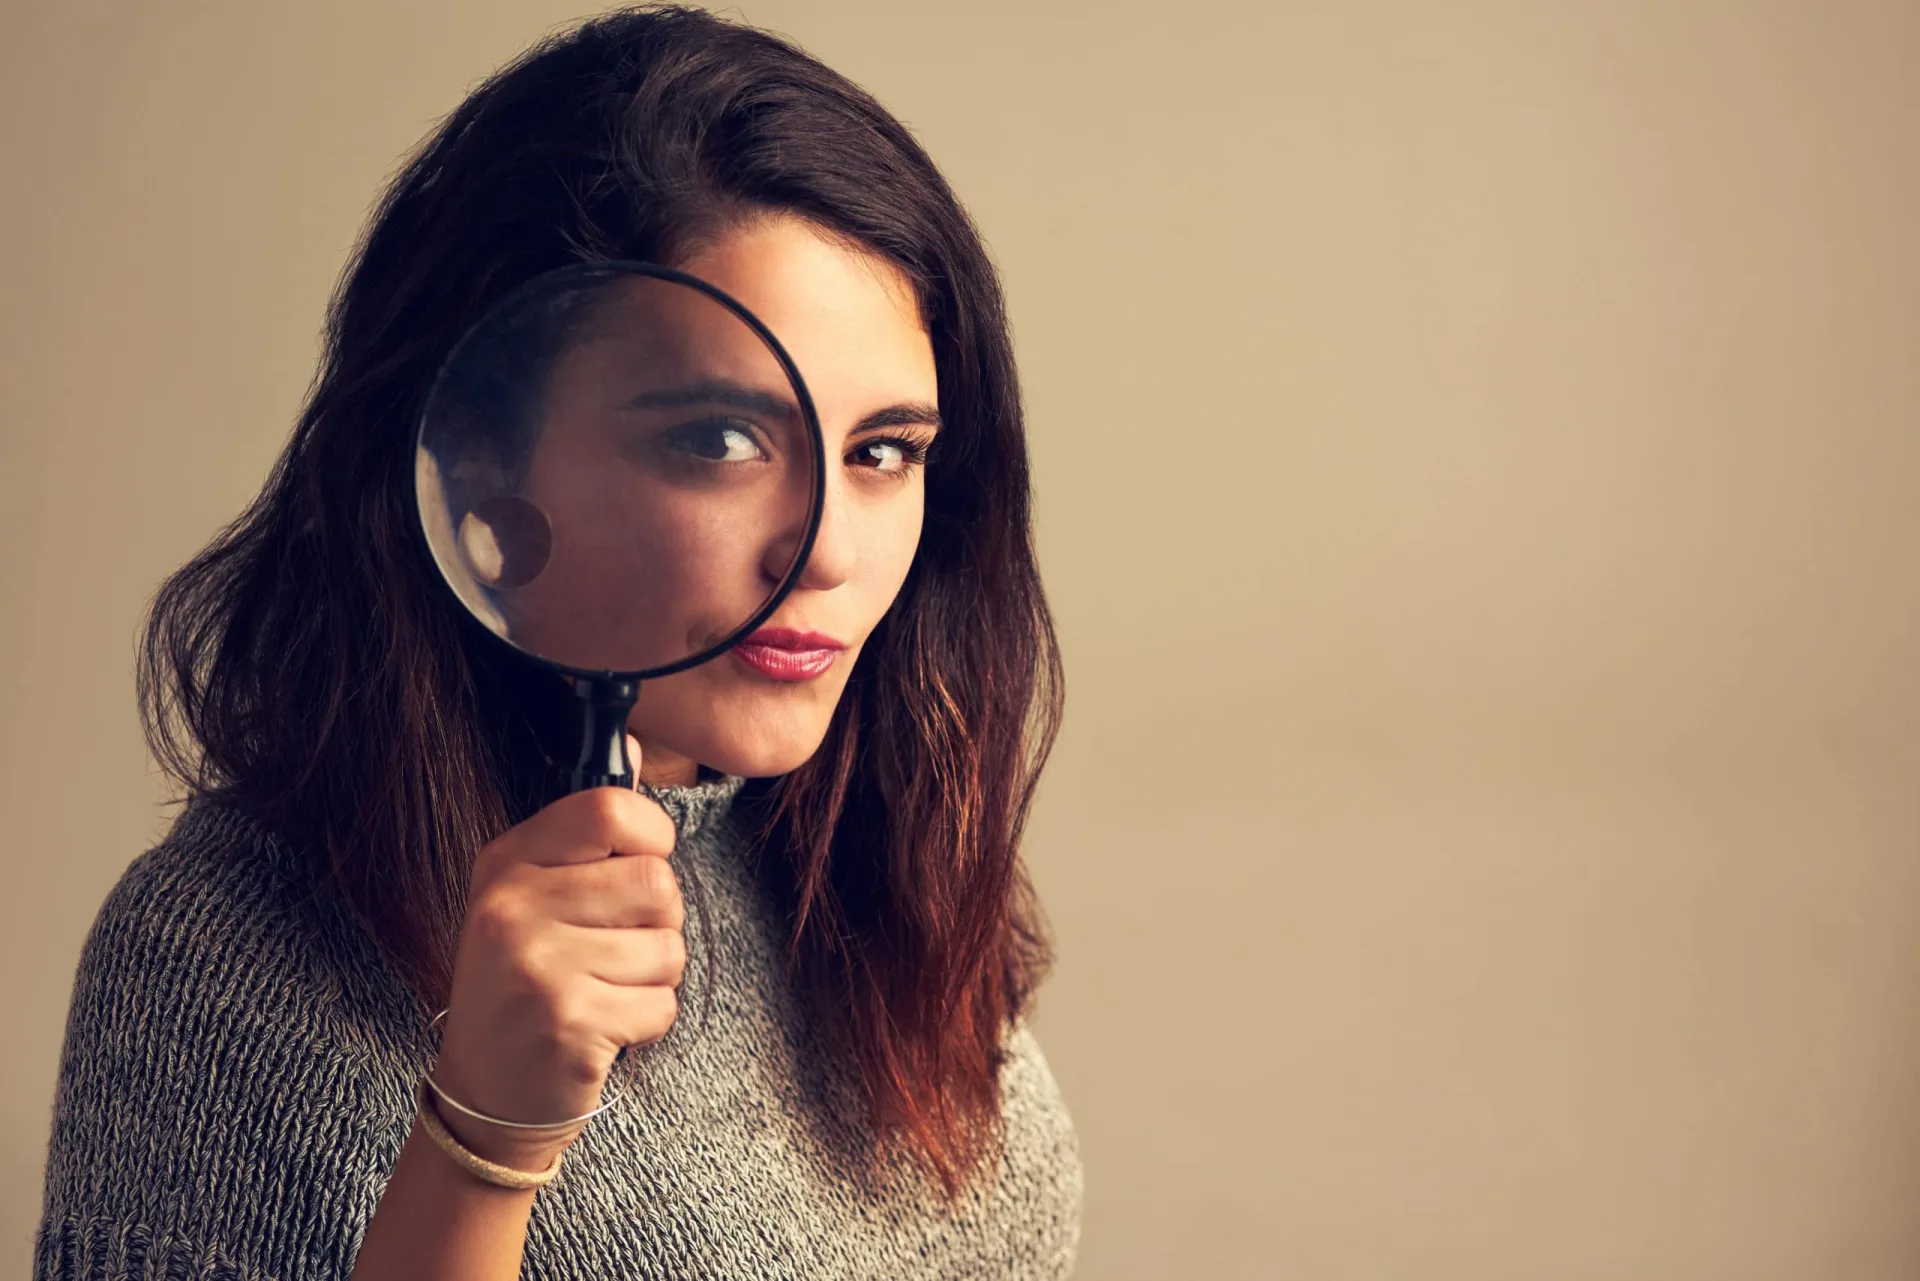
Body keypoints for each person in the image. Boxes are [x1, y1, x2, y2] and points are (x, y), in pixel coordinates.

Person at [33, 7, 1081, 1278]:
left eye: (882, 453)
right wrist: (485, 1134)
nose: (825, 553)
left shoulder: (862, 861)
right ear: (477, 462)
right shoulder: (226, 960)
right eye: (718, 441)